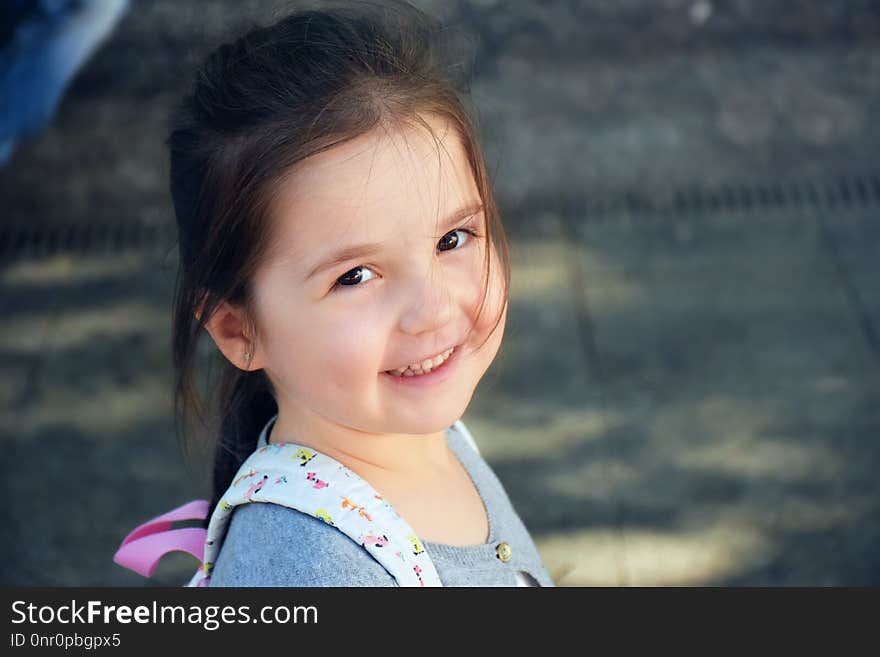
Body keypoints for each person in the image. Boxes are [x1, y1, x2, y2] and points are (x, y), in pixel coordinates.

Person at [118, 0, 555, 587]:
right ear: (238, 330)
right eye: (354, 276)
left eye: (453, 238)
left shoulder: (428, 431)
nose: (432, 311)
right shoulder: (308, 571)